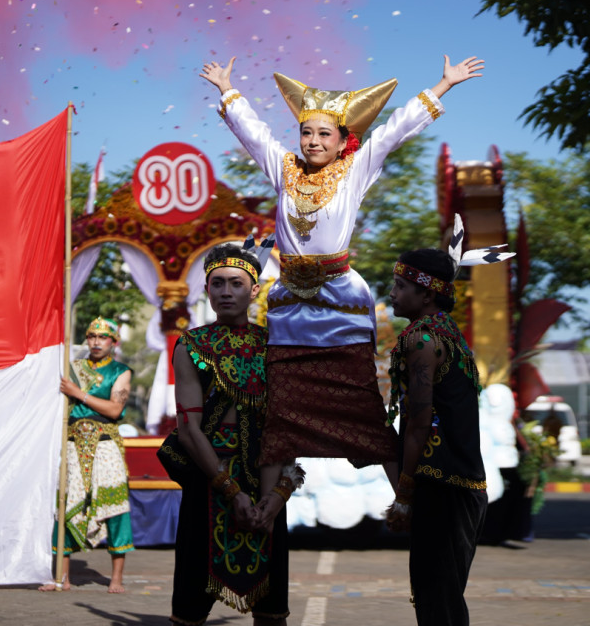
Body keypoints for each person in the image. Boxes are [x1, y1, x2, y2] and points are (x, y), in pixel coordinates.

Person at [199, 55, 484, 477]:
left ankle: (404, 499)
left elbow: (392, 132)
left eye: (323, 134)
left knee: (361, 406)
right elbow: (254, 135)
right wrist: (228, 90)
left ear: (341, 140)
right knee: (281, 410)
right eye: (306, 132)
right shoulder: (284, 169)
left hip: (339, 299)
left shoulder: (355, 170)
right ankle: (268, 509)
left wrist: (442, 86)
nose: (313, 141)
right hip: (289, 304)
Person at [164, 243, 300, 625]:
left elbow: (285, 426)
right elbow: (188, 429)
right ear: (206, 290)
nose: (226, 292)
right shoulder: (191, 345)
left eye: (236, 284)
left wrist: (275, 498)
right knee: (189, 609)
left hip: (267, 479)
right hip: (210, 481)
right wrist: (230, 490)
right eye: (218, 283)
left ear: (254, 290)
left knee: (272, 612)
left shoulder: (276, 345)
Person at [384, 248, 488, 626]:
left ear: (426, 294)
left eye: (400, 286)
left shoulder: (423, 341)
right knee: (439, 597)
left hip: (443, 487)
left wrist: (404, 494)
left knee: (437, 602)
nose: (392, 293)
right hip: (462, 486)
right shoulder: (448, 333)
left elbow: (419, 421)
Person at [41, 317, 134, 593]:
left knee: (115, 506)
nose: (95, 341)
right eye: (91, 336)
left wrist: (78, 394)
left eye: (102, 337)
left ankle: (115, 579)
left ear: (113, 342)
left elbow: (115, 410)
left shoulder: (121, 371)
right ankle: (63, 577)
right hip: (72, 443)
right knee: (66, 504)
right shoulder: (72, 369)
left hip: (105, 444)